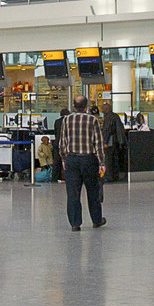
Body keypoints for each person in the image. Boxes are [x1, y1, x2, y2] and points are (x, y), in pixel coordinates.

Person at [59, 97, 108, 232]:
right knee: (93, 191)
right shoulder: (93, 120)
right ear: (86, 107)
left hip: (72, 160)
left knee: (73, 193)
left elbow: (62, 142)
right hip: (89, 160)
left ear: (74, 107)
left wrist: (64, 158)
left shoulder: (66, 120)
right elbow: (98, 142)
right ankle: (97, 220)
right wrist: (101, 162)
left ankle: (75, 223)